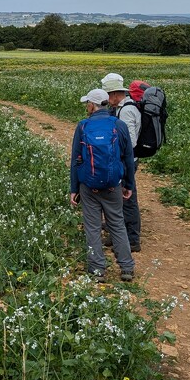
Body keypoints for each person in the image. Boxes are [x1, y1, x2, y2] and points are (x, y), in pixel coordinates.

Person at [70, 88, 135, 283]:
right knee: (117, 224)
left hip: (88, 187)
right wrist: (128, 184)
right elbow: (128, 158)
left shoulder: (82, 126)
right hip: (113, 185)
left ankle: (98, 270)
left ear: (92, 105)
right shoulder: (119, 125)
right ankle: (127, 268)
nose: (86, 107)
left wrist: (74, 189)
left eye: (87, 103)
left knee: (92, 227)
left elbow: (76, 160)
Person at [100, 72, 142, 252]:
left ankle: (132, 239)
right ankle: (116, 232)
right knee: (118, 197)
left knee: (127, 197)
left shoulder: (126, 111)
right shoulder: (121, 108)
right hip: (125, 159)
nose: (107, 99)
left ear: (116, 94)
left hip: (126, 160)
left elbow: (130, 142)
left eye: (108, 95)